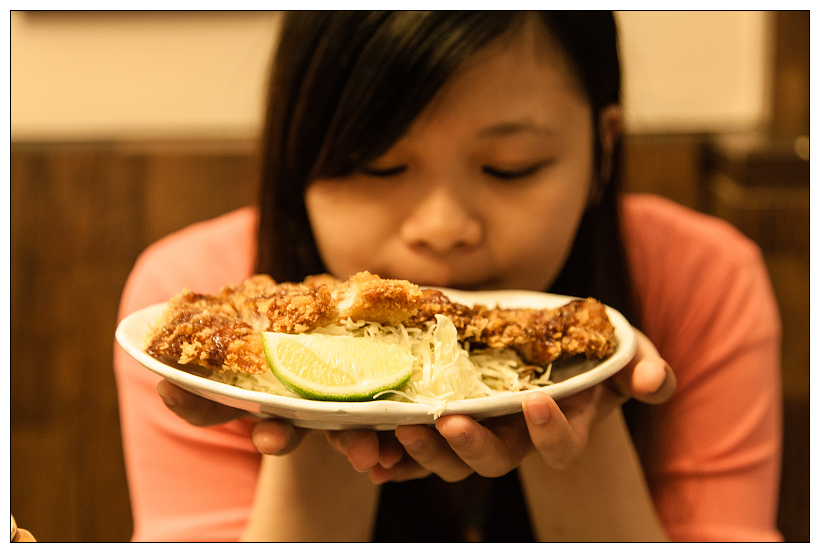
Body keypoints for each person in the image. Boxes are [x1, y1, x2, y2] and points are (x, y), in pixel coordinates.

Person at [114, 11, 783, 541]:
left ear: (602, 149)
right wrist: (311, 407)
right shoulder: (192, 307)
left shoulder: (704, 280)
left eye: (510, 167)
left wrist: (585, 407)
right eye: (380, 168)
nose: (442, 225)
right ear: (299, 160)